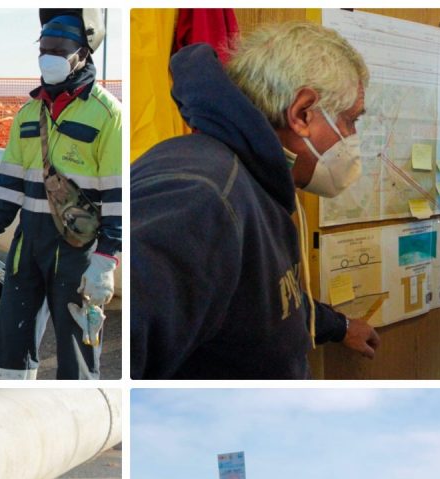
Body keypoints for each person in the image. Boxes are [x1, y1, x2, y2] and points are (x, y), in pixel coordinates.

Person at [130, 21, 382, 379]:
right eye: (350, 120)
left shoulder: (253, 177)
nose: (352, 137)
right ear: (302, 114)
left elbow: (260, 303)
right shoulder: (201, 195)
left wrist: (338, 326)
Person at [0, 9, 122, 380]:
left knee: (77, 347)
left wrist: (106, 259)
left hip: (76, 248)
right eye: (44, 48)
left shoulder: (107, 115)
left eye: (59, 49)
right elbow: (8, 185)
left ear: (82, 53)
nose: (48, 57)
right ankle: (15, 414)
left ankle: (79, 421)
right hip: (28, 243)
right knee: (11, 339)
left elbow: (117, 196)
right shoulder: (28, 114)